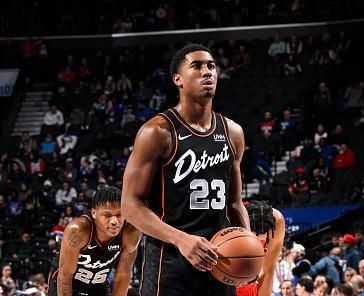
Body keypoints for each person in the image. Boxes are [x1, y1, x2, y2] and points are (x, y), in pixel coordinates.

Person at [121, 43, 250, 296]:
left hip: (220, 262)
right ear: (177, 79)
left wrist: (247, 244)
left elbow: (235, 203)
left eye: (211, 66)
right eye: (197, 66)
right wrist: (181, 239)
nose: (208, 72)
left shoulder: (233, 133)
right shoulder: (157, 132)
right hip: (169, 265)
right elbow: (129, 205)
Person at [47, 187, 141, 296]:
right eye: (107, 215)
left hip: (98, 286)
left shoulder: (130, 231)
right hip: (69, 283)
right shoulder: (78, 230)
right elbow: (65, 275)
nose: (115, 222)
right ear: (94, 213)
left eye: (119, 215)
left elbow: (123, 274)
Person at [236, 200, 286, 296]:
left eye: (260, 240)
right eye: (254, 239)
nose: (257, 243)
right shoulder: (225, 221)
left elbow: (267, 271)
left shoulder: (276, 220)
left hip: (249, 290)